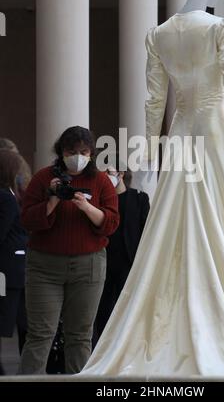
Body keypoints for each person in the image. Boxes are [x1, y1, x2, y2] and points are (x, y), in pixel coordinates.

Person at [81, 0, 224, 377]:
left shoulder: (158, 34)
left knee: (176, 228)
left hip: (181, 137)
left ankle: (173, 326)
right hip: (214, 135)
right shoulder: (218, 29)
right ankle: (219, 325)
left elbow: (155, 102)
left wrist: (151, 156)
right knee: (215, 225)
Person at [18, 126, 119, 374]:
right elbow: (27, 221)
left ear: (92, 153)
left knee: (80, 335)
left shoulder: (101, 181)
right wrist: (52, 198)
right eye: (72, 151)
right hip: (44, 266)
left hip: (88, 265)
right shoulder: (43, 179)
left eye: (84, 151)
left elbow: (111, 223)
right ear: (61, 152)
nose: (77, 157)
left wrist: (86, 206)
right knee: (41, 334)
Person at [92, 162, 150, 345]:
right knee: (103, 309)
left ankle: (125, 346)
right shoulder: (98, 201)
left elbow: (146, 230)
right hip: (103, 259)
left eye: (108, 172)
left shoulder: (139, 198)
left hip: (129, 260)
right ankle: (100, 348)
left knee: (127, 307)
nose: (105, 177)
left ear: (121, 174)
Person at [0, 149, 28, 375]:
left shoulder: (9, 194)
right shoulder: (6, 198)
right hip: (10, 271)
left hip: (12, 271)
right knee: (15, 322)